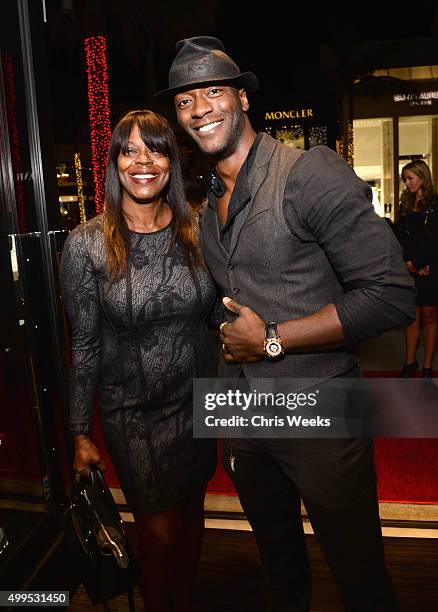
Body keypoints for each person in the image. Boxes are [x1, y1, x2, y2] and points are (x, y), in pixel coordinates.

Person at [155, 37, 416, 611]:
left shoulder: (308, 173)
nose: (199, 109)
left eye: (213, 92)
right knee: (278, 562)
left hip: (321, 408)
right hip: (244, 417)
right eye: (185, 101)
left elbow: (393, 295)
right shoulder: (209, 199)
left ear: (243, 99)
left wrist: (271, 339)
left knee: (359, 575)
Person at [60, 109, 218, 612]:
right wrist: (80, 433)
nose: (142, 161)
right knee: (161, 534)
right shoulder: (87, 244)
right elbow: (83, 343)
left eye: (155, 149)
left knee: (193, 518)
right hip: (134, 415)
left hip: (198, 403)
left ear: (172, 160)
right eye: (129, 150)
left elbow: (217, 311)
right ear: (114, 164)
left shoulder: (197, 228)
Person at [395, 160, 438, 378]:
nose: (407, 183)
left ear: (422, 177)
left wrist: (422, 264)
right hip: (409, 268)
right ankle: (409, 363)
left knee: (430, 315)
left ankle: (427, 366)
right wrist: (408, 264)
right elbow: (399, 238)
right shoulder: (404, 204)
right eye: (405, 179)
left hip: (432, 268)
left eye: (410, 178)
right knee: (411, 316)